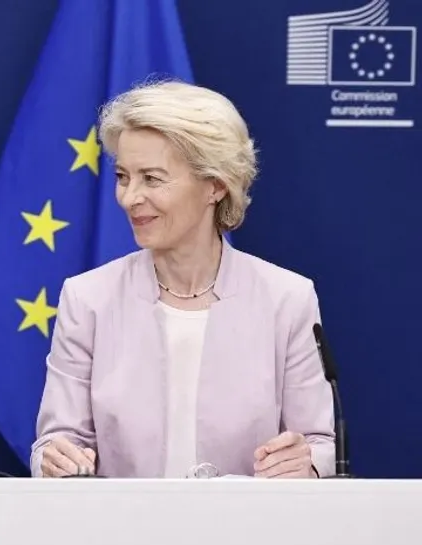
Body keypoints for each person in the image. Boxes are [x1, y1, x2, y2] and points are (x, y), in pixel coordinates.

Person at [31, 80, 334, 479]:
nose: (129, 197)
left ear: (215, 185)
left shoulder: (286, 299)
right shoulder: (88, 299)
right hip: (122, 520)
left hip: (245, 520)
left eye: (152, 179)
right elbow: (56, 441)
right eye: (123, 177)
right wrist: (54, 459)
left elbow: (319, 445)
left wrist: (306, 464)